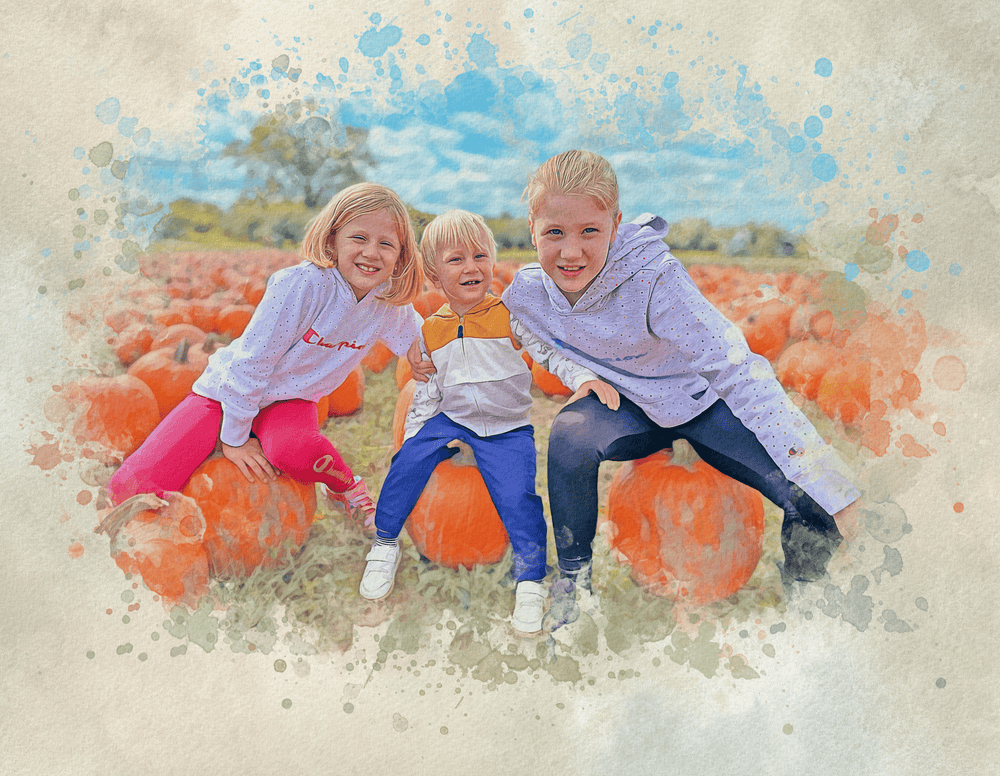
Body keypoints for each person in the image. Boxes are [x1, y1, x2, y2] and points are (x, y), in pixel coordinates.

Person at [412, 151, 862, 627]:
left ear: (615, 223)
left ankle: (807, 604)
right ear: (532, 228)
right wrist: (428, 357)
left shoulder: (655, 280)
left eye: (590, 231)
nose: (571, 252)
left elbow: (737, 370)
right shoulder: (526, 294)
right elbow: (488, 340)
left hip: (700, 406)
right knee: (570, 435)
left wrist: (835, 486)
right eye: (554, 233)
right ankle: (574, 583)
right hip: (626, 410)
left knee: (816, 501)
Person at [107, 182, 424, 529]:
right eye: (359, 238)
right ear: (332, 239)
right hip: (228, 392)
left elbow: (423, 344)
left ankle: (346, 487)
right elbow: (252, 365)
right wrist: (235, 438)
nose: (372, 253)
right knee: (130, 489)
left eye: (386, 244)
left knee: (295, 448)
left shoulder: (387, 305)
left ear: (401, 256)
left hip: (291, 400)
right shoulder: (302, 285)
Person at [361, 209, 619, 635]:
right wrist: (413, 440)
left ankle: (531, 582)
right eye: (456, 259)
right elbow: (427, 391)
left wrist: (584, 378)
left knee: (519, 500)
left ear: (492, 262)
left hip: (505, 428)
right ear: (434, 274)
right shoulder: (431, 331)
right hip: (452, 420)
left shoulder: (509, 316)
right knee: (404, 467)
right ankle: (385, 544)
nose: (471, 267)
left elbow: (551, 354)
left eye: (480, 256)